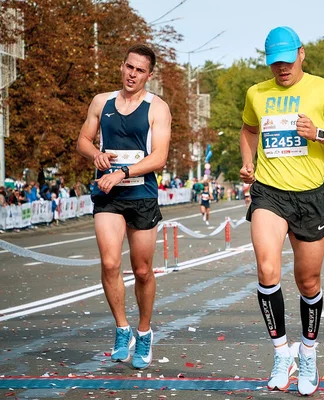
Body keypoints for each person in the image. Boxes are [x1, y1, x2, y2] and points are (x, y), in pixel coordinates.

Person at [239, 26, 324, 395]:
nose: (282, 69)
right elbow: (247, 129)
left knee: (308, 282)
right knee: (267, 268)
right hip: (269, 193)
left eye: (287, 61)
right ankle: (280, 353)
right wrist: (247, 163)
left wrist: (318, 134)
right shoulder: (257, 93)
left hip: (310, 197)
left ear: (301, 54)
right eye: (275, 63)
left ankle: (307, 353)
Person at [76, 44, 171, 370]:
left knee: (142, 270)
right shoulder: (101, 102)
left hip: (141, 194)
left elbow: (159, 157)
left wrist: (124, 172)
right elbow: (83, 141)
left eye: (139, 70)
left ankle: (144, 332)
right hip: (108, 196)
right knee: (109, 262)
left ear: (149, 74)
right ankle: (122, 328)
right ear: (122, 66)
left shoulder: (157, 107)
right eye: (129, 67)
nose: (132, 74)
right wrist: (96, 155)